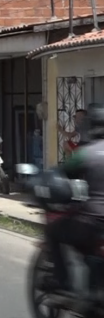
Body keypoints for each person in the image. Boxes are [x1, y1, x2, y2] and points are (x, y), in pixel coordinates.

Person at [43, 103, 104, 303]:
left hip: (92, 221)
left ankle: (63, 282)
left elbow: (62, 174)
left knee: (53, 230)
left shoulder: (86, 153)